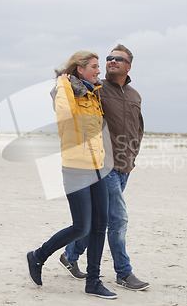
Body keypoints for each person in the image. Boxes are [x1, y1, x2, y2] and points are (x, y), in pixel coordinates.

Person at [27, 51, 117, 299]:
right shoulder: (64, 90)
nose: (99, 71)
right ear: (80, 69)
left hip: (98, 166)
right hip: (76, 167)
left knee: (100, 226)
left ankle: (93, 281)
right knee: (81, 227)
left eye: (99, 67)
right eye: (94, 67)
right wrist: (64, 83)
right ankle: (38, 256)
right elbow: (66, 115)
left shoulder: (93, 93)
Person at [59, 45, 149, 291]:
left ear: (128, 66)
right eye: (109, 58)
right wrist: (67, 81)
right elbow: (69, 101)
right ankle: (124, 273)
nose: (111, 61)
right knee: (117, 219)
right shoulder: (96, 88)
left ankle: (71, 255)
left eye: (118, 59)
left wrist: (133, 156)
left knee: (100, 220)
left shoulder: (135, 95)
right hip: (102, 166)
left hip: (125, 166)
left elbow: (138, 129)